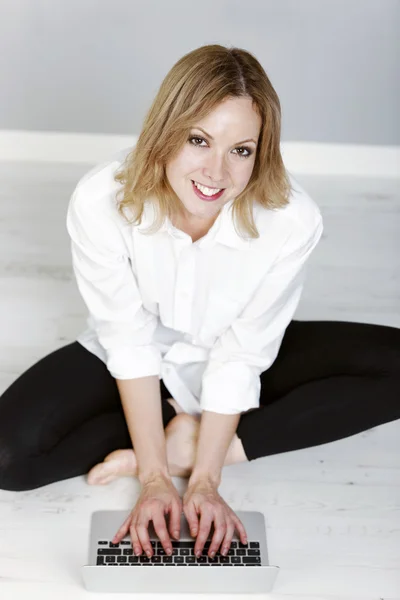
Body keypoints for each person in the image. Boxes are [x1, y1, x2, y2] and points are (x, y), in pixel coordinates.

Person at [0, 45, 399, 565]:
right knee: (7, 460)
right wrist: (154, 477)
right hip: (134, 355)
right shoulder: (102, 199)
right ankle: (165, 435)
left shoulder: (290, 219)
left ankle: (205, 443)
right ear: (166, 132)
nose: (217, 171)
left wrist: (206, 477)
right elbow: (129, 340)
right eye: (198, 140)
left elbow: (241, 354)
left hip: (237, 347)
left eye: (241, 150)